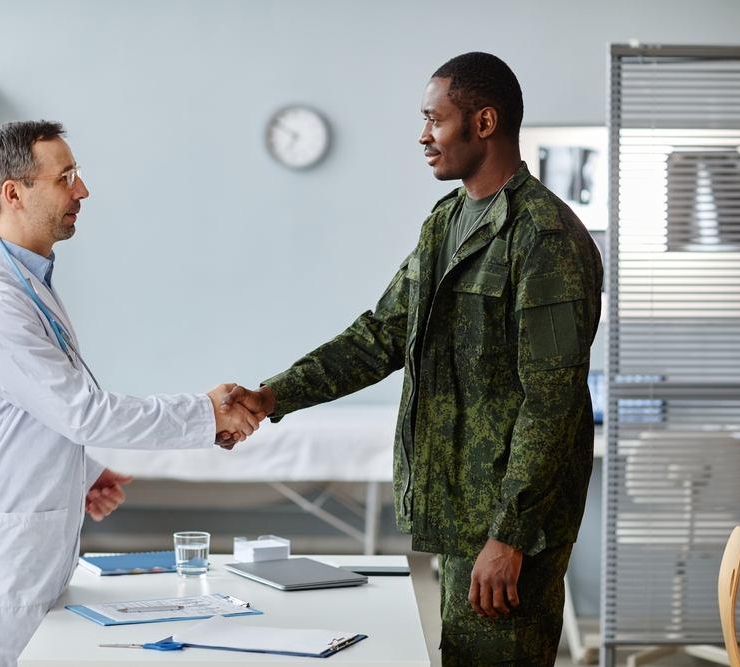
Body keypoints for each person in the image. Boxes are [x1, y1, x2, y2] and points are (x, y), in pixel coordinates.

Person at [221, 52, 603, 666]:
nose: (422, 135)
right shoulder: (446, 223)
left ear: (483, 122)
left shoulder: (543, 238)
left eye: (435, 119)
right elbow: (382, 334)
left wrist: (509, 534)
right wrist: (273, 396)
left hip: (511, 529)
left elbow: (551, 403)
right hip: (461, 515)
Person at [0, 120, 261, 667]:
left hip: (32, 536)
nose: (82, 191)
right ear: (13, 193)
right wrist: (207, 412)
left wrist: (80, 471)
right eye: (66, 177)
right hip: (0, 548)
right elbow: (82, 412)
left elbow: (24, 413)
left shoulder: (25, 281)